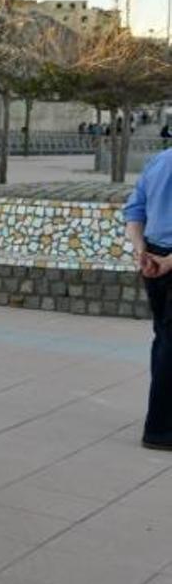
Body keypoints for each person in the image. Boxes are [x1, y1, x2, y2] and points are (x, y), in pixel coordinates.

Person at [126, 148, 172, 451]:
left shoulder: (160, 160)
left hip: (152, 257)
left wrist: (140, 250)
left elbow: (134, 210)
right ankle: (160, 430)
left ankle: (160, 423)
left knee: (164, 339)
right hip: (164, 260)